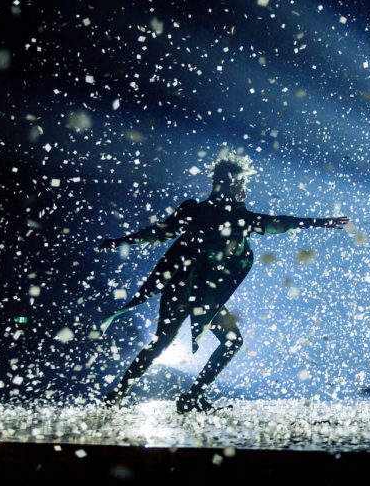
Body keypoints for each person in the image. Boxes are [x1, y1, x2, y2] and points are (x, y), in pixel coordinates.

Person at [97, 152, 349, 413]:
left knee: (162, 340)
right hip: (201, 295)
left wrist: (120, 241)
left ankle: (118, 394)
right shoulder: (236, 218)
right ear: (234, 185)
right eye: (241, 183)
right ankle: (191, 395)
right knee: (230, 341)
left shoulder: (196, 210)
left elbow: (159, 232)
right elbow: (277, 223)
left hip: (182, 289)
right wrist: (321, 222)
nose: (244, 189)